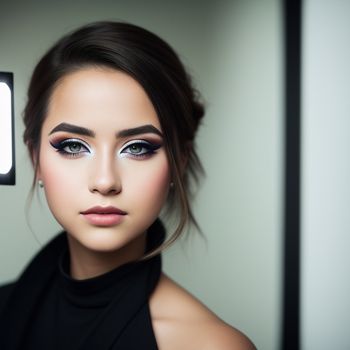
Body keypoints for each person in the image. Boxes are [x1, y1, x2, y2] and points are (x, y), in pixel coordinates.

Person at [0, 21, 255, 349]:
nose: (105, 181)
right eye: (73, 146)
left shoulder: (210, 344)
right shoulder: (6, 309)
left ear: (179, 160)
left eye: (138, 147)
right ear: (35, 158)